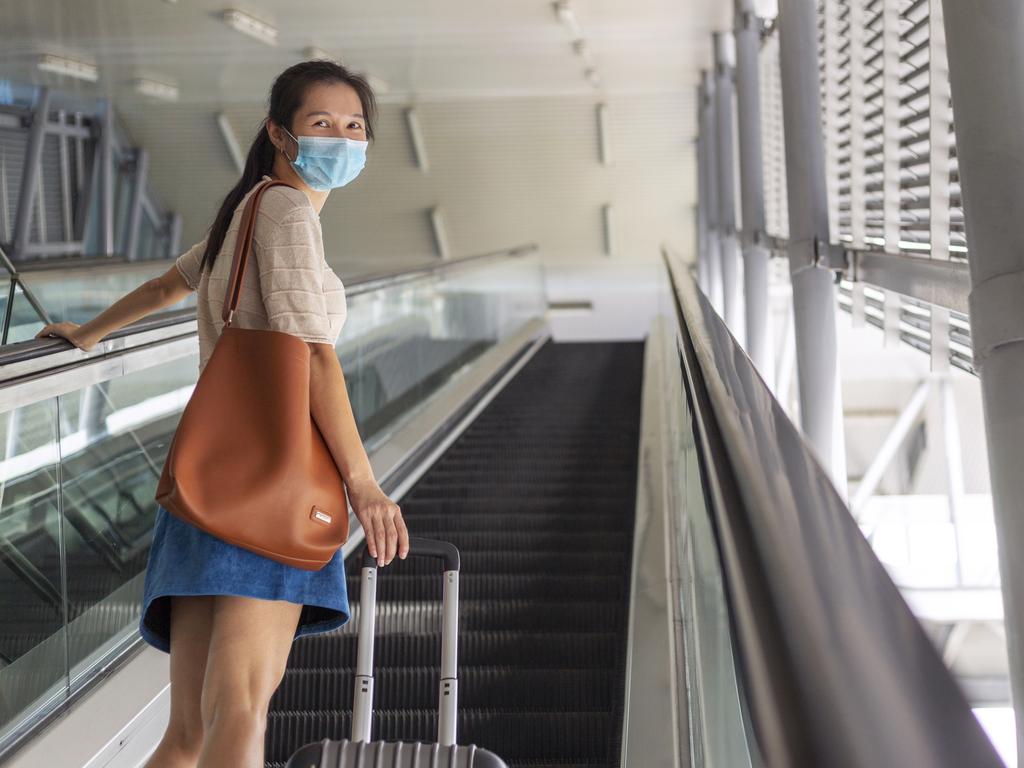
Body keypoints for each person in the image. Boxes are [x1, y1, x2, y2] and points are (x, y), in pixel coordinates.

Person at [34, 60, 410, 767]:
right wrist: (364, 485)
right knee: (239, 713)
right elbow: (315, 358)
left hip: (208, 487)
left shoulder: (248, 207)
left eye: (354, 126)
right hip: (275, 489)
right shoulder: (289, 212)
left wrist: (87, 334)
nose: (342, 138)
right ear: (279, 133)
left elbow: (165, 285)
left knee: (189, 735)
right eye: (321, 123)